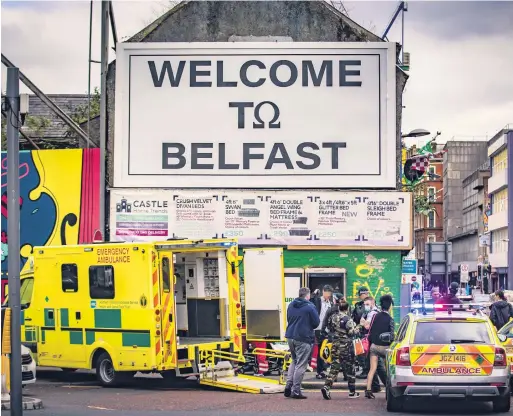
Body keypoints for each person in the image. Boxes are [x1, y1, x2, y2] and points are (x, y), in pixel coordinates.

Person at [321, 300, 362, 400]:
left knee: (334, 367)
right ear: (347, 309)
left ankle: (326, 386)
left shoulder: (332, 317)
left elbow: (329, 329)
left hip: (335, 345)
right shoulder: (348, 319)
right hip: (346, 346)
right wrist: (359, 326)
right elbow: (351, 333)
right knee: (350, 369)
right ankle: (352, 392)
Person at [284, 287, 320, 399]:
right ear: (307, 296)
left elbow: (289, 319)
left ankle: (288, 385)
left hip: (290, 336)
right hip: (303, 338)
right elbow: (316, 323)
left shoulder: (291, 305)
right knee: (301, 364)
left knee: (294, 361)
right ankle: (296, 390)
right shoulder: (310, 307)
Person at [365, 295, 395, 399]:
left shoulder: (375, 316)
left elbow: (371, 330)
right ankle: (389, 391)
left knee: (372, 369)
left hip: (374, 346)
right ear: (390, 306)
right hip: (385, 348)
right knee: (388, 370)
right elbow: (392, 335)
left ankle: (368, 390)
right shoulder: (390, 319)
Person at [360, 296, 385, 393]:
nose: (365, 306)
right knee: (374, 364)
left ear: (373, 303)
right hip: (374, 340)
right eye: (365, 304)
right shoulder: (374, 312)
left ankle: (379, 385)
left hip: (372, 341)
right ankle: (377, 386)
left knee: (374, 364)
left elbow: (366, 325)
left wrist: (364, 322)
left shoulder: (373, 313)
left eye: (367, 304)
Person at [311, 285, 334, 379]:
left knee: (326, 350)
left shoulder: (331, 303)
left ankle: (324, 369)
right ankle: (319, 371)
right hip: (318, 329)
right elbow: (310, 302)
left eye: (330, 294)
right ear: (323, 292)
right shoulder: (317, 300)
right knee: (320, 349)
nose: (328, 296)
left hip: (328, 329)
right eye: (327, 294)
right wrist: (313, 294)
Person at [352, 287, 370, 378]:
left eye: (366, 294)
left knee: (365, 353)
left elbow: (361, 315)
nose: (365, 296)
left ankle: (366, 371)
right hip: (358, 332)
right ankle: (364, 369)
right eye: (363, 294)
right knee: (359, 352)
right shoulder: (357, 305)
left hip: (367, 333)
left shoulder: (370, 305)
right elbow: (355, 317)